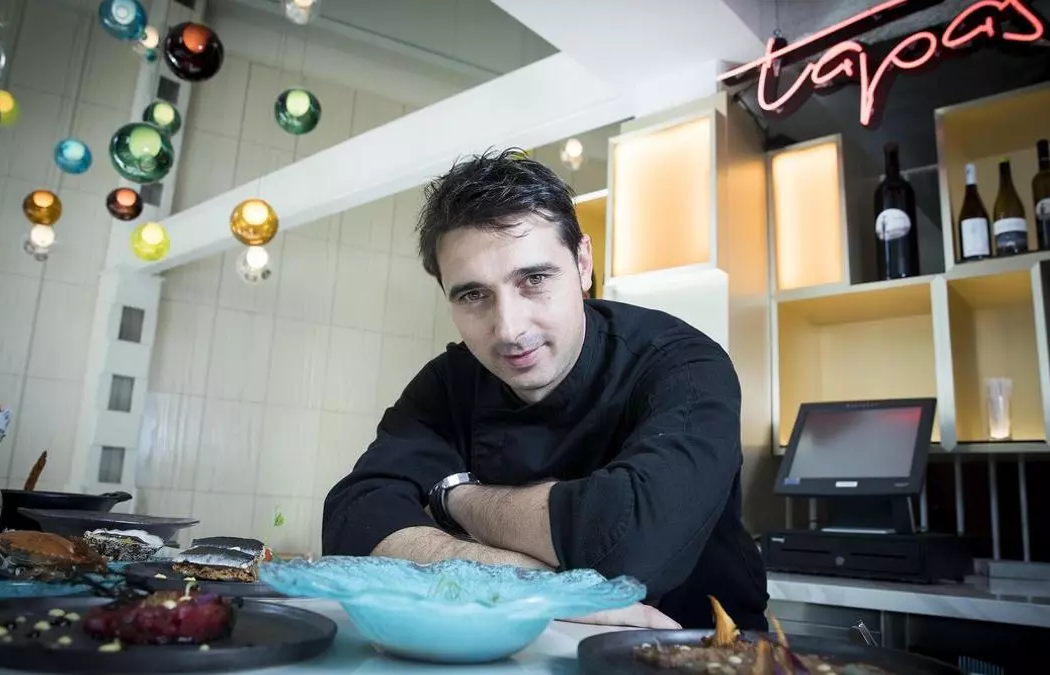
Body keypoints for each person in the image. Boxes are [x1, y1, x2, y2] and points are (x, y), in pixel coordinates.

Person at [321, 148, 769, 631]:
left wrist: (455, 498)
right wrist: (528, 585)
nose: (509, 329)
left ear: (583, 262)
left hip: (699, 645)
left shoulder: (682, 363)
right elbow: (354, 520)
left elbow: (630, 543)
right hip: (518, 646)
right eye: (473, 295)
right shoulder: (449, 383)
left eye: (533, 279)